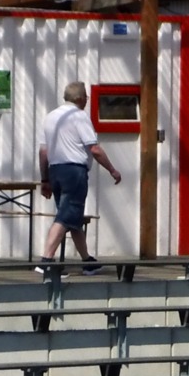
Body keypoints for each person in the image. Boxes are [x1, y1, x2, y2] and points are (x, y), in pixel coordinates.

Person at [38, 81, 121, 273]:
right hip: (74, 171)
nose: (87, 100)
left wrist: (45, 179)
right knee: (65, 216)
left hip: (55, 170)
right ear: (80, 98)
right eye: (86, 97)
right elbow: (94, 149)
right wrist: (112, 170)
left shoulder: (50, 117)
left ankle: (87, 261)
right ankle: (46, 261)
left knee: (71, 216)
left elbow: (43, 152)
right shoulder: (79, 116)